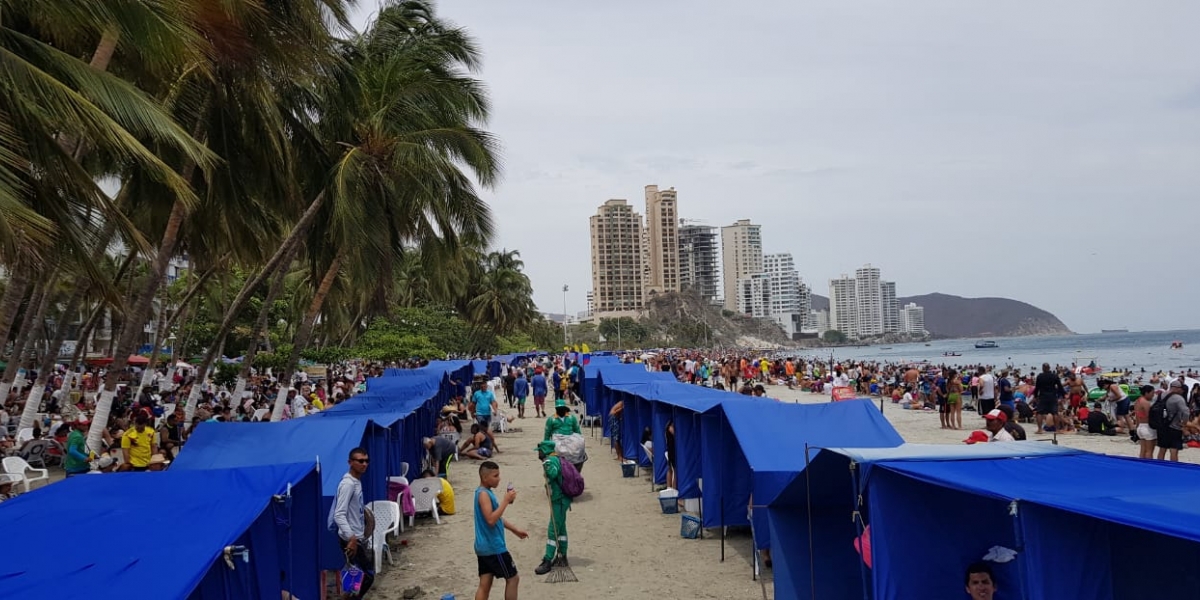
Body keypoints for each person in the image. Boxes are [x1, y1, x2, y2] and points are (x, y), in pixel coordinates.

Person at [473, 461, 527, 600]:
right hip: (494, 547)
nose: (499, 478)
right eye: (495, 476)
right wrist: (505, 501)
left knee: (485, 585)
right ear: (485, 478)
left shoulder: (484, 493)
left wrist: (515, 530)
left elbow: (497, 518)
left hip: (483, 546)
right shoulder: (484, 495)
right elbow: (491, 520)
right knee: (513, 579)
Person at [329, 447, 373, 599]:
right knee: (367, 575)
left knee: (355, 578)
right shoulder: (347, 484)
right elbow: (339, 514)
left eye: (367, 461)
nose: (364, 464)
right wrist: (352, 538)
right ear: (350, 462)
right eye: (360, 461)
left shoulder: (356, 482)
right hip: (351, 539)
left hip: (357, 537)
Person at [534, 440, 571, 576]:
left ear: (544, 450)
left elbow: (553, 474)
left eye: (539, 451)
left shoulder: (550, 461)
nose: (537, 453)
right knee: (560, 529)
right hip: (561, 499)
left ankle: (548, 560)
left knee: (552, 530)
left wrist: (546, 464)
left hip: (559, 500)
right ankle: (562, 555)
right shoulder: (556, 459)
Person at [1156, 380, 1189, 462]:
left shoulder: (1161, 395)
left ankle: (1159, 466)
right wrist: (1184, 424)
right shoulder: (1178, 398)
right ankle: (1173, 468)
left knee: (1162, 449)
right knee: (1174, 450)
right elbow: (1186, 412)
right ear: (1178, 388)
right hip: (1174, 427)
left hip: (1162, 426)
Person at [1033, 363, 1065, 434]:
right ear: (1049, 368)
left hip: (1043, 396)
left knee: (1039, 412)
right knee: (1055, 412)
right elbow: (1060, 386)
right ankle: (1057, 430)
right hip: (1052, 396)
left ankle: (1040, 429)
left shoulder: (1040, 376)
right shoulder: (1054, 376)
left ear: (1043, 368)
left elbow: (1037, 388)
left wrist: (1035, 396)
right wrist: (1063, 395)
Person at [471, 378, 500, 453]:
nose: (484, 387)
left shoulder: (490, 393)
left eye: (485, 386)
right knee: (483, 429)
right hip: (479, 413)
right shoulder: (477, 393)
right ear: (480, 386)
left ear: (486, 386)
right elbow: (473, 404)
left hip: (488, 413)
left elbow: (493, 402)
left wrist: (495, 410)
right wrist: (472, 413)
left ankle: (488, 445)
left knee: (487, 430)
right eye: (482, 386)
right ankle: (482, 445)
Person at [1134, 385, 1157, 459]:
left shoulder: (1137, 401)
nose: (1153, 395)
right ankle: (1149, 466)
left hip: (1140, 426)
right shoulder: (1146, 403)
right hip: (1147, 427)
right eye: (1152, 393)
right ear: (1147, 393)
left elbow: (1137, 415)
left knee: (1143, 450)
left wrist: (1136, 427)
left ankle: (1141, 465)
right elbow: (1149, 416)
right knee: (1149, 451)